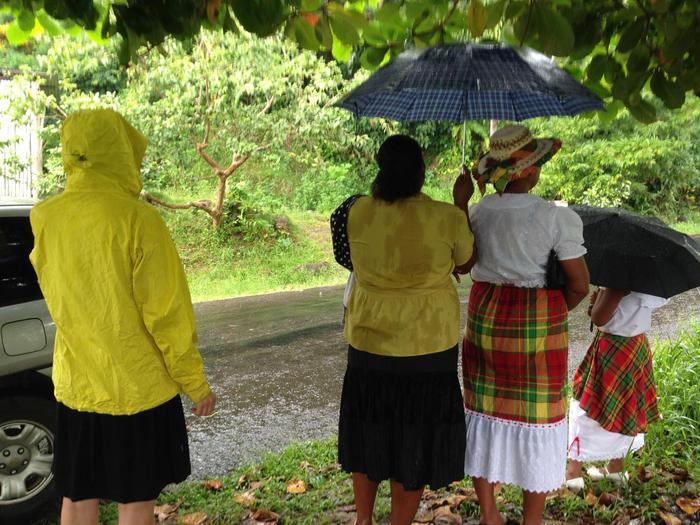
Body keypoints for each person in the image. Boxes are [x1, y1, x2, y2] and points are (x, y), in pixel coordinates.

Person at [29, 109, 216, 525]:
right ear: (121, 151)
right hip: (139, 390)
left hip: (77, 388)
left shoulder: (44, 217)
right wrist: (195, 384)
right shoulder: (139, 219)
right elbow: (166, 315)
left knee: (77, 497)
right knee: (136, 501)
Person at [332, 134, 476, 525]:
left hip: (368, 344)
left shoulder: (356, 211)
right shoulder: (447, 217)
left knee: (369, 431)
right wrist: (461, 200)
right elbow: (465, 262)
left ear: (380, 168)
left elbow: (346, 257)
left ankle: (363, 519)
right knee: (414, 437)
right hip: (427, 351)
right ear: (421, 173)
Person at [462, 125, 590, 525]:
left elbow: (463, 264)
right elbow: (580, 284)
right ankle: (532, 519)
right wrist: (553, 315)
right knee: (539, 418)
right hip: (538, 323)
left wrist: (457, 204)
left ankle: (489, 512)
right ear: (531, 172)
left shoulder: (477, 213)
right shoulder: (555, 217)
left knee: (483, 411)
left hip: (485, 319)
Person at [565, 288, 667, 489]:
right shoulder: (645, 278)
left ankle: (573, 473)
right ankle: (616, 469)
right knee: (627, 408)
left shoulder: (619, 280)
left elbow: (599, 318)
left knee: (588, 407)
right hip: (636, 346)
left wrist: (597, 303)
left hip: (613, 349)